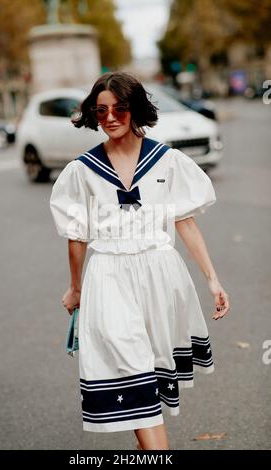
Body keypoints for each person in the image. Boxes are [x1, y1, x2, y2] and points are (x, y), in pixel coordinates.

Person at [49, 71, 230, 450]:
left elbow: (185, 222)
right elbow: (76, 237)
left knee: (148, 377)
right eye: (101, 111)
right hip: (109, 278)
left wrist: (212, 279)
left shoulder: (167, 161)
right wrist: (76, 287)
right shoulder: (82, 171)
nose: (110, 117)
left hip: (160, 278)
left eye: (119, 108)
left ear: (135, 109)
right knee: (129, 366)